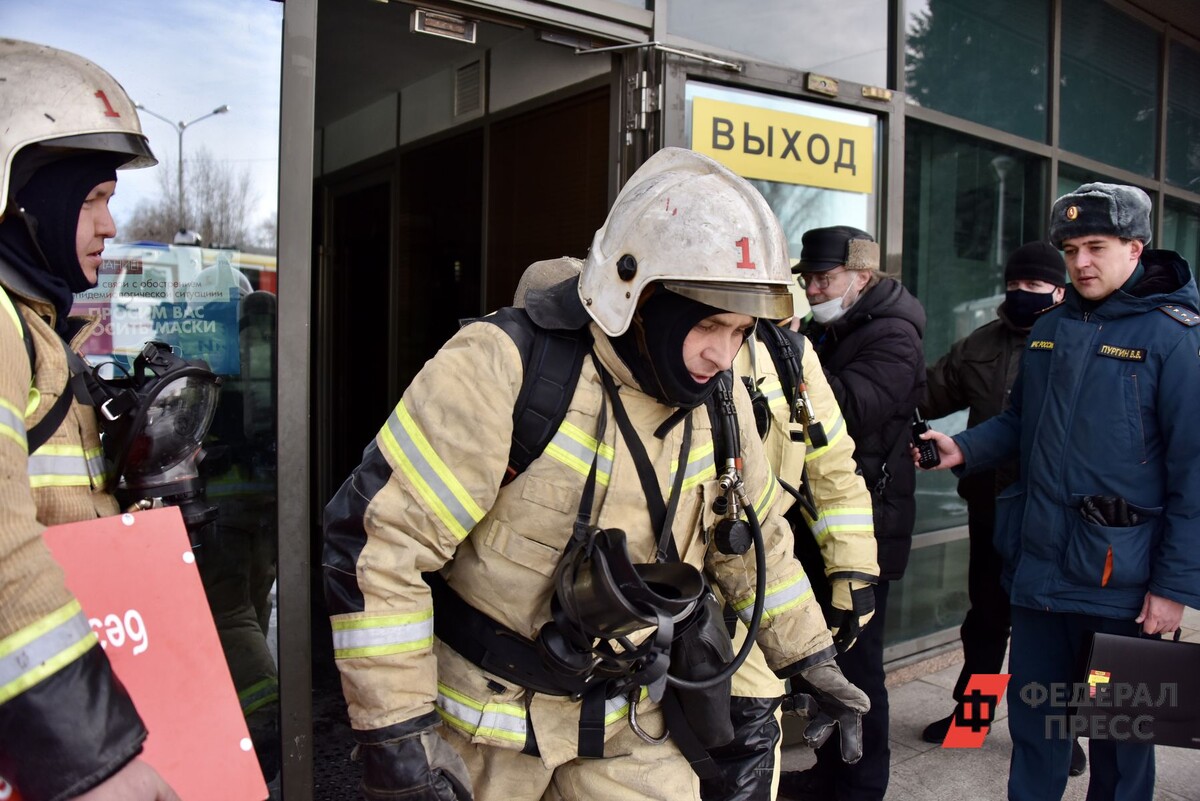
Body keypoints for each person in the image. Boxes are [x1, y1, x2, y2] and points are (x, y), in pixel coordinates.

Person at [322, 147, 869, 801]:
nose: (725, 354)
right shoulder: (502, 366)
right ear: (638, 295)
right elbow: (380, 548)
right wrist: (398, 741)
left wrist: (810, 657)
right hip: (486, 733)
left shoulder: (720, 398)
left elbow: (755, 546)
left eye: (743, 331)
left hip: (629, 720)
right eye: (711, 324)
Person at [915, 182, 1200, 801]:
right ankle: (995, 754)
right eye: (1070, 249)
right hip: (1039, 571)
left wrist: (1174, 589)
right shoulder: (1052, 329)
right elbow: (1021, 423)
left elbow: (1193, 473)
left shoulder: (1176, 338)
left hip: (1120, 584)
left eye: (1095, 247)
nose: (1080, 263)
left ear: (1136, 247)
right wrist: (966, 446)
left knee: (1120, 740)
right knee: (1039, 727)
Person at [0, 39, 179, 800]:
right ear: (19, 197)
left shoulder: (33, 325)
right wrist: (90, 762)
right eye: (92, 198)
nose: (110, 225)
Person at [919, 242, 1087, 770]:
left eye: (1033, 287)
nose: (1021, 295)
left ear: (1059, 290)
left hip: (1061, 517)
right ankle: (972, 720)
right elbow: (927, 393)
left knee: (1066, 632)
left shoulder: (1079, 337)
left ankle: (1068, 735)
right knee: (986, 622)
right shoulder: (980, 345)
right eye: (1014, 286)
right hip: (992, 507)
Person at [778, 225, 926, 801]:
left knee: (860, 667)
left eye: (826, 278)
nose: (813, 288)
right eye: (808, 278)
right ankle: (829, 770)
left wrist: (792, 358)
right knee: (824, 661)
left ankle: (863, 785)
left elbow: (845, 411)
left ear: (862, 277)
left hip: (868, 530)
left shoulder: (893, 336)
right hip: (822, 526)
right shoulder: (832, 326)